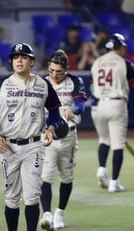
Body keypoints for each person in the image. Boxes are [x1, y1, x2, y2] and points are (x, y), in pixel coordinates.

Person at [0, 43, 62, 231]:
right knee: (11, 197)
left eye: (24, 57)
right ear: (11, 61)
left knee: (32, 196)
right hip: (8, 146)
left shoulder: (43, 84)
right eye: (15, 57)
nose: (19, 60)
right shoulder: (1, 84)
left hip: (34, 146)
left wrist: (50, 130)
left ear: (31, 61)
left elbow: (55, 111)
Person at [39, 49, 88, 230]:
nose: (54, 75)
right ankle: (47, 214)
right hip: (47, 135)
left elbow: (81, 104)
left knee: (66, 177)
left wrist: (72, 110)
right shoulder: (42, 82)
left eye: (59, 72)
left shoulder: (75, 81)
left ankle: (60, 211)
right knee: (45, 176)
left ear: (67, 68)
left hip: (68, 135)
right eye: (51, 71)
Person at [90, 33, 134, 193]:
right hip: (116, 104)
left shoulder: (96, 63)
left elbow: (91, 85)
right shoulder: (125, 63)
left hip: (98, 106)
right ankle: (114, 182)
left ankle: (102, 169)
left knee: (104, 139)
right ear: (118, 46)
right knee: (117, 144)